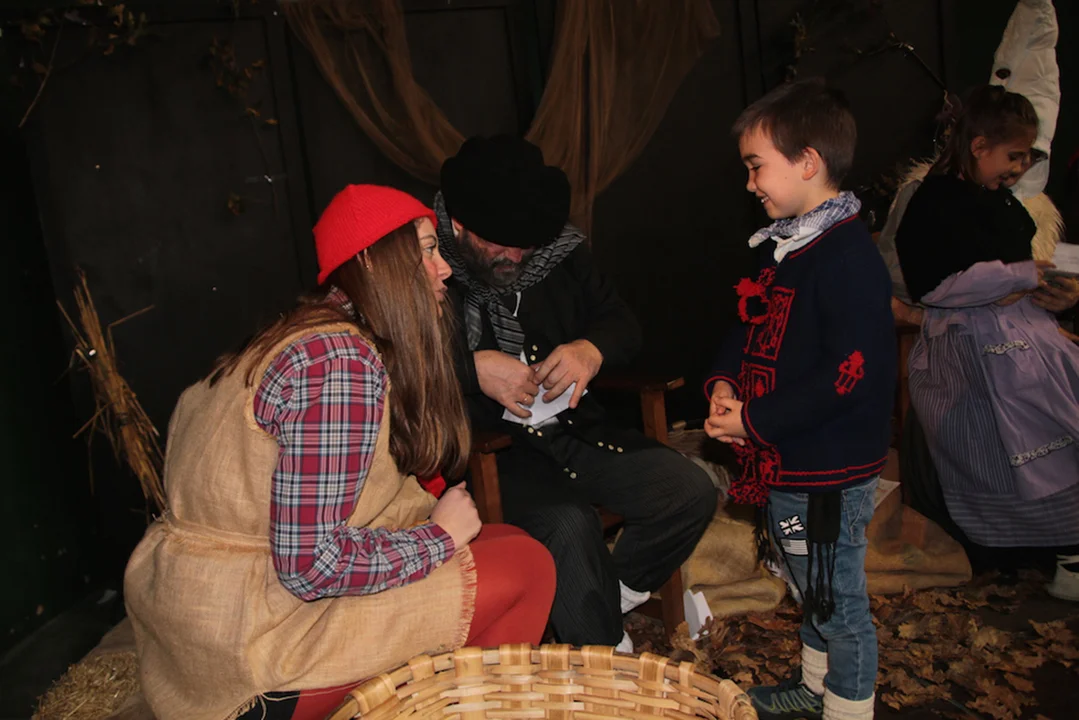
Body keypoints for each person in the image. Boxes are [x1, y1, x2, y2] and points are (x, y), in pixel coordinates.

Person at [124, 184, 557, 720]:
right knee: (526, 565)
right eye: (427, 249)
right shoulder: (338, 362)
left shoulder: (302, 335)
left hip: (202, 627)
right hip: (255, 646)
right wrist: (438, 538)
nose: (444, 268)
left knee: (504, 541)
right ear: (374, 262)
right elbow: (310, 565)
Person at [434, 134, 716, 650]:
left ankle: (601, 602)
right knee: (569, 524)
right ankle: (602, 649)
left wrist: (591, 348)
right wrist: (470, 369)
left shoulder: (559, 256)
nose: (515, 255)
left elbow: (622, 324)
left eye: (525, 242)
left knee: (688, 490)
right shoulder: (424, 268)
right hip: (492, 458)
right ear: (458, 225)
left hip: (576, 432)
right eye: (499, 242)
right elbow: (392, 367)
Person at [706, 79, 895, 720]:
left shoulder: (846, 258)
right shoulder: (788, 247)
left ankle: (848, 708)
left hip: (827, 473)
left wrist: (754, 420)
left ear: (807, 161)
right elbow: (748, 324)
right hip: (789, 468)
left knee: (836, 598)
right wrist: (726, 385)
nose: (750, 183)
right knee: (807, 579)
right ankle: (816, 689)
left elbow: (848, 374)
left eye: (757, 166)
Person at [895, 85, 1079, 601]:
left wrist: (1054, 291)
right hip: (972, 351)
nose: (1019, 168)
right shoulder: (933, 203)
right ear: (979, 147)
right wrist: (1015, 277)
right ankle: (1046, 552)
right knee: (1016, 437)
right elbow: (933, 285)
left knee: (1060, 417)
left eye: (1026, 157)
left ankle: (1064, 548)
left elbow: (1017, 267)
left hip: (1025, 335)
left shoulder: (1000, 201)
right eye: (1013, 156)